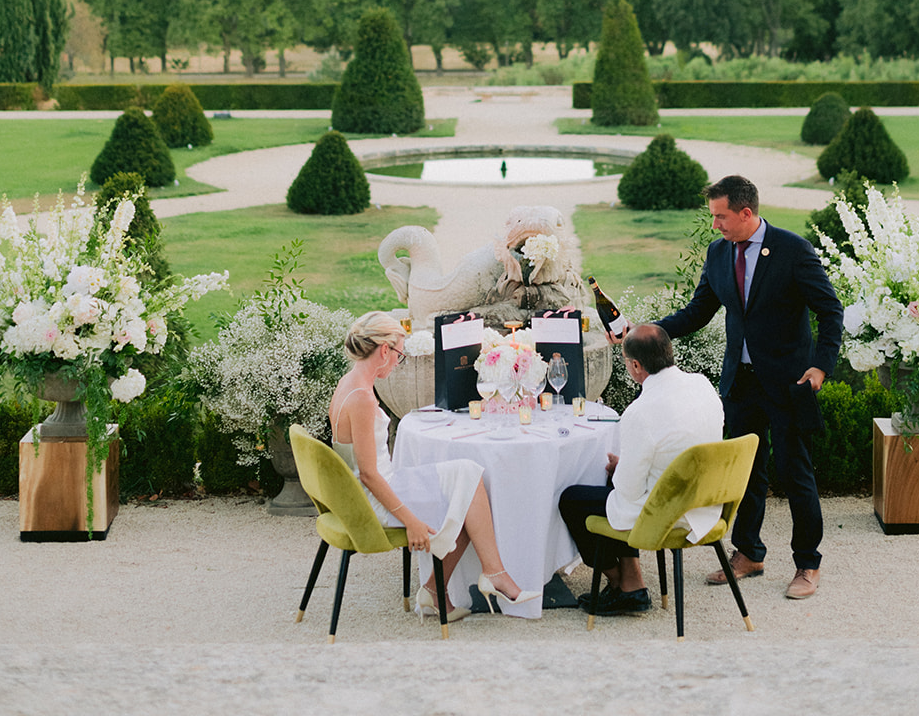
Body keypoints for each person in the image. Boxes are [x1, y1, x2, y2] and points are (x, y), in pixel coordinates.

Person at [656, 175, 843, 600]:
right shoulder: (719, 253)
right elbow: (698, 311)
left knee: (795, 474)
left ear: (746, 212)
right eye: (713, 217)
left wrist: (821, 366)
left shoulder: (793, 250)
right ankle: (749, 554)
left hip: (790, 383)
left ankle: (807, 564)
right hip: (741, 385)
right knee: (745, 474)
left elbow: (831, 311)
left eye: (721, 217)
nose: (715, 225)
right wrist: (650, 330)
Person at [329, 312, 540, 619]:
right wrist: (411, 521)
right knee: (466, 492)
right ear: (385, 350)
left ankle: (457, 584)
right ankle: (478, 579)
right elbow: (369, 475)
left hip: (369, 488)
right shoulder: (361, 398)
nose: (397, 363)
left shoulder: (350, 382)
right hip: (372, 500)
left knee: (468, 476)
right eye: (399, 354)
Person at [558, 323, 724, 615]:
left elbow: (628, 489)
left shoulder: (640, 411)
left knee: (572, 499)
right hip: (706, 503)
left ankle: (621, 582)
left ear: (635, 365)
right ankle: (631, 584)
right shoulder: (702, 384)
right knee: (619, 480)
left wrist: (620, 470)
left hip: (669, 513)